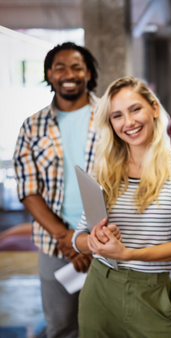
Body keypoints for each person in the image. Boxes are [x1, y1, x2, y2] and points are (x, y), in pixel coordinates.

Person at [71, 77, 171, 337]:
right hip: (99, 288)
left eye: (135, 109)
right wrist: (95, 242)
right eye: (117, 115)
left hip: (150, 291)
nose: (128, 122)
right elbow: (79, 237)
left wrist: (127, 253)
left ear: (153, 108)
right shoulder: (103, 169)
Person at [13, 42, 99, 338]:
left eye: (76, 66)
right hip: (55, 246)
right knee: (62, 327)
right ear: (49, 74)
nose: (68, 73)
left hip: (108, 243)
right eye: (59, 67)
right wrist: (67, 239)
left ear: (88, 72)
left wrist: (89, 241)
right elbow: (28, 189)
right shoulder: (32, 126)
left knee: (109, 325)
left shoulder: (112, 118)